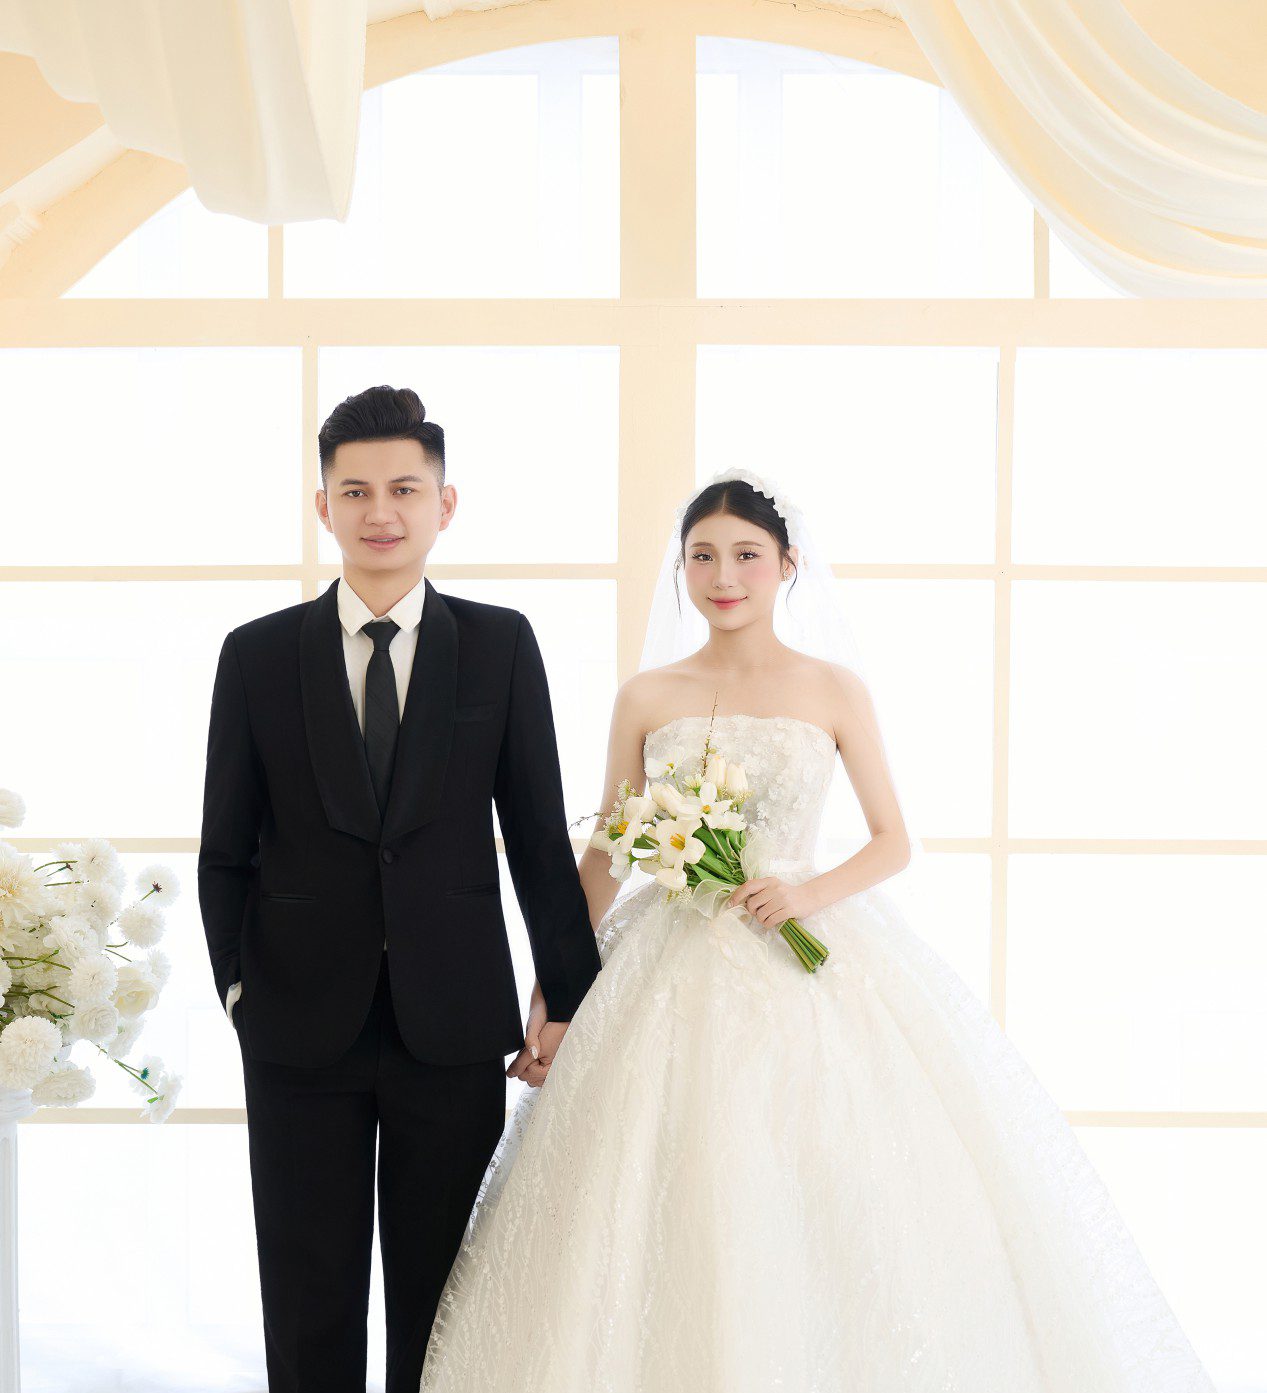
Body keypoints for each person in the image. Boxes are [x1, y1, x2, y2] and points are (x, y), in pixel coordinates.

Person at [418, 467, 1217, 1392]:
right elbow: (610, 845)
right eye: (701, 556)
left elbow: (892, 840)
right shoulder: (646, 695)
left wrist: (805, 894)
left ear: (787, 563)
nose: (723, 576)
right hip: (664, 959)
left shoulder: (832, 688)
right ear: (680, 568)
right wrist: (554, 985)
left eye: (746, 556)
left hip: (803, 960)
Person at [196, 384, 601, 1393]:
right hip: (296, 1022)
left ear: (444, 504)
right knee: (308, 1297)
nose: (381, 511)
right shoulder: (256, 656)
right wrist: (240, 991)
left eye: (405, 489)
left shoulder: (500, 645)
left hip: (451, 1021)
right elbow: (226, 851)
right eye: (356, 490)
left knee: (445, 1301)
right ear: (323, 506)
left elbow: (538, 836)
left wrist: (569, 999)